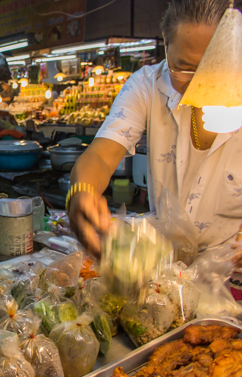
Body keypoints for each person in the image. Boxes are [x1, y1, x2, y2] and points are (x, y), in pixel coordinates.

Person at [68, 0, 242, 300]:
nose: (198, 85)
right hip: (161, 277)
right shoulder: (147, 86)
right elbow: (99, 155)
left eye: (211, 69)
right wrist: (82, 191)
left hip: (231, 280)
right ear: (165, 46)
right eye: (185, 68)